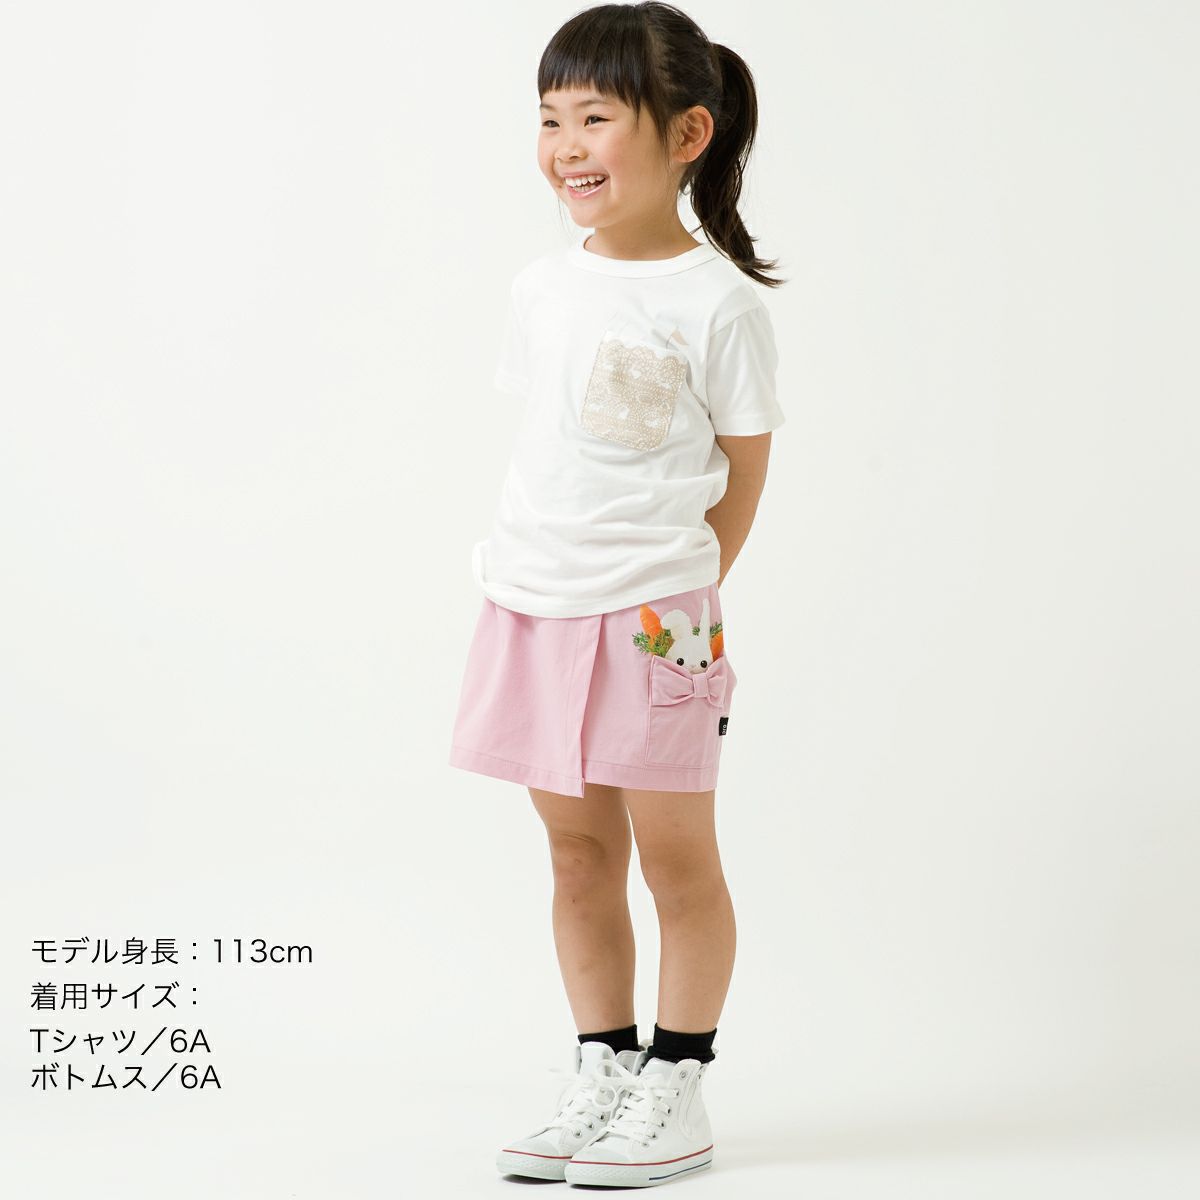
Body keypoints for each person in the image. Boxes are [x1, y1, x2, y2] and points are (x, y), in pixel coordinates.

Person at [449, 2, 786, 1187]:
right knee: (576, 854)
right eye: (550, 120)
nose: (566, 147)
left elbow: (742, 475)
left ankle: (677, 1085)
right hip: (531, 603)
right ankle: (603, 1064)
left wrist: (678, 601)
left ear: (687, 133)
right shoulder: (543, 287)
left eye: (594, 118)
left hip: (655, 620)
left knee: (675, 860)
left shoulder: (719, 303)